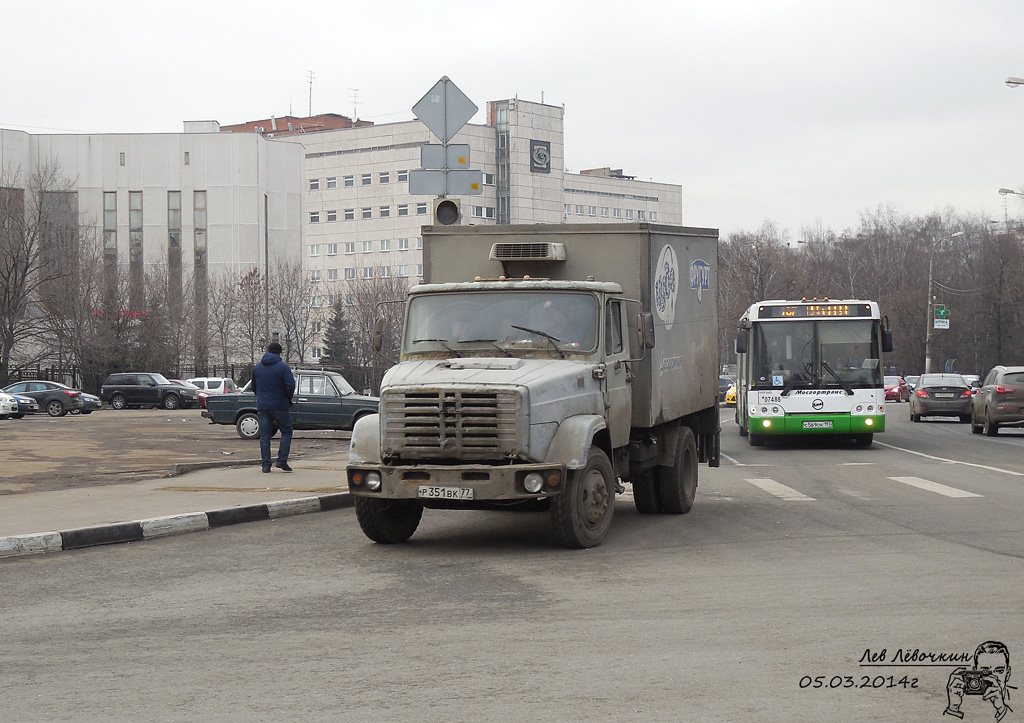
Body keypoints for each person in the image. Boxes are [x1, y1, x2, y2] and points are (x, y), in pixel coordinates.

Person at [251, 341, 296, 473]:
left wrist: (261, 397)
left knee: (265, 436)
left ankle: (265, 464)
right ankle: (282, 460)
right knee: (286, 431)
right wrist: (287, 398)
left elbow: (254, 386)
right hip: (280, 404)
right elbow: (290, 385)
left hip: (263, 405)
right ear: (279, 353)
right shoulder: (283, 367)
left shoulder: (257, 367)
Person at [946, 640, 1013, 720]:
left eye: (999, 671)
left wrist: (1001, 708)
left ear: (1008, 673)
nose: (993, 677)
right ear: (974, 672)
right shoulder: (964, 697)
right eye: (985, 671)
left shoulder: (1019, 697)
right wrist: (953, 708)